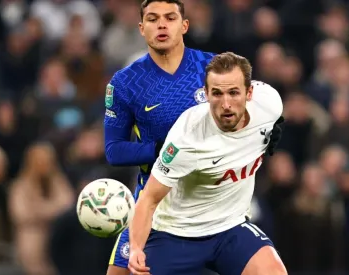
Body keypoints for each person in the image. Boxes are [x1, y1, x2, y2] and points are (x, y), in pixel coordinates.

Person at [103, 1, 283, 274]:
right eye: (152, 19)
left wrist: (270, 129)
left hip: (220, 203)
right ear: (141, 28)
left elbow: (247, 99)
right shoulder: (125, 82)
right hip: (161, 202)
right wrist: (160, 150)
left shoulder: (211, 67)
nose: (162, 25)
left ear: (184, 25)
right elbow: (113, 151)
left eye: (170, 18)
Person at [128, 52, 287, 275]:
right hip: (176, 233)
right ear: (205, 94)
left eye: (234, 93)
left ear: (249, 92)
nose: (226, 104)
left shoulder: (269, 103)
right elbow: (149, 198)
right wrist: (136, 249)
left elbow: (273, 120)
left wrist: (270, 131)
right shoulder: (187, 138)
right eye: (217, 94)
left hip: (230, 227)